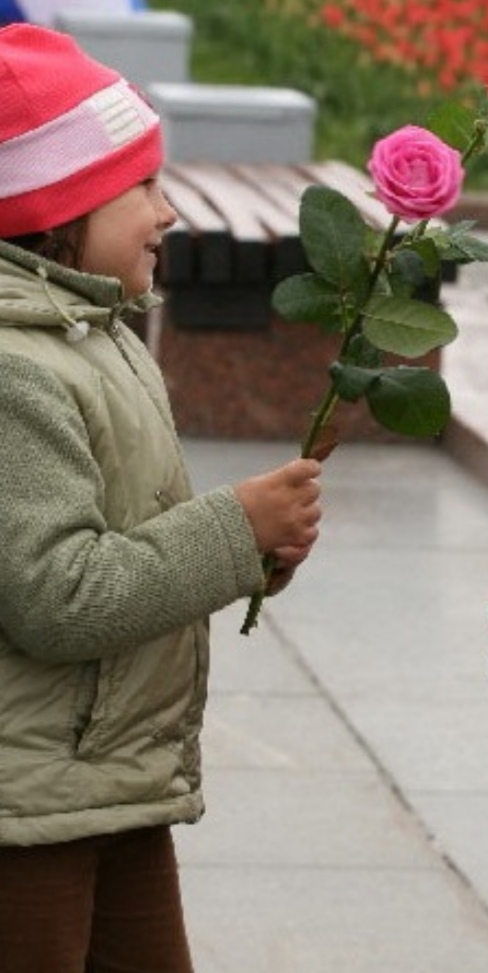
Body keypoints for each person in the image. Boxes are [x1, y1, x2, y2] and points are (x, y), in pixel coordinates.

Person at [0, 23, 324, 972]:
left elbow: (129, 539)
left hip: (107, 780)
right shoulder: (18, 371)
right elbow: (59, 595)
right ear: (52, 207)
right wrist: (231, 530)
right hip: (26, 810)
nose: (169, 210)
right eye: (140, 185)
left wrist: (250, 550)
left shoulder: (90, 336)